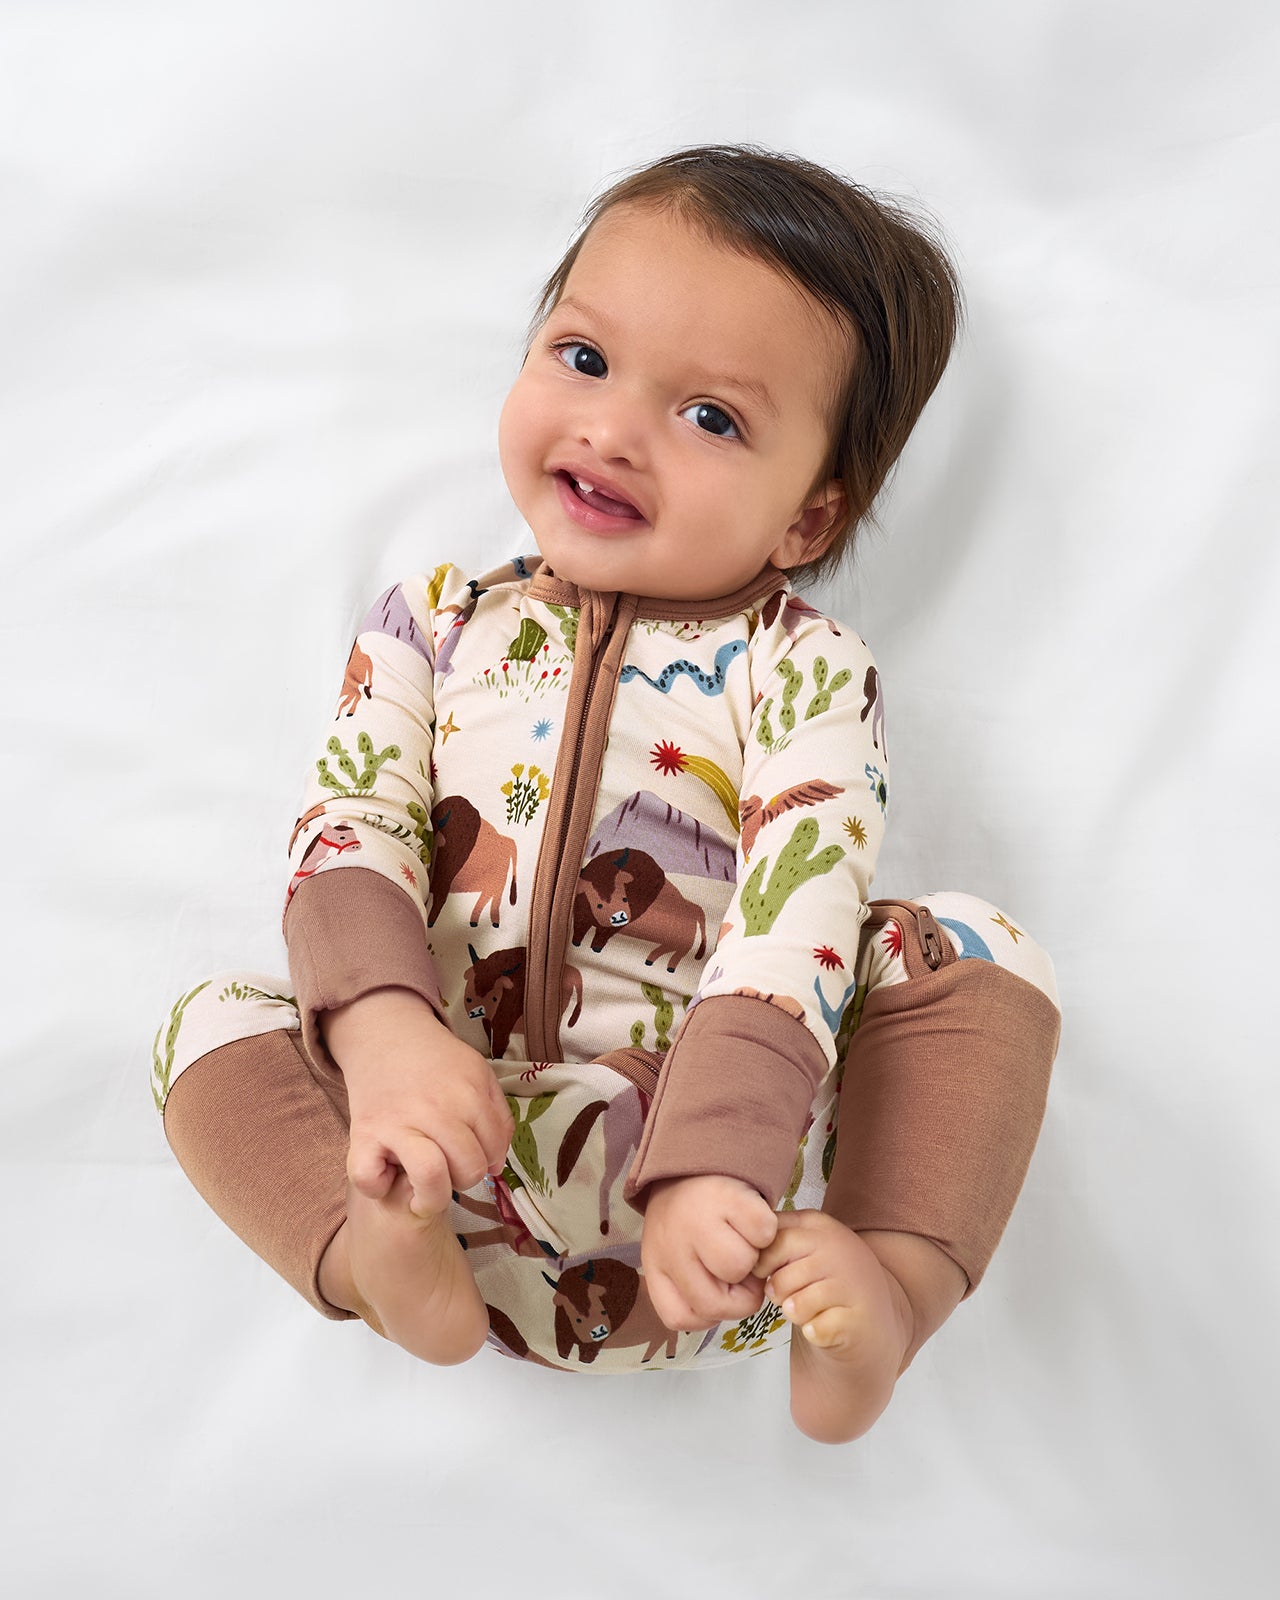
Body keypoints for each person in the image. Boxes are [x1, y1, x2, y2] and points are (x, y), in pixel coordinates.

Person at [155, 145, 1061, 1443]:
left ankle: (892, 1296)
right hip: (431, 1156)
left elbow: (796, 916)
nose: (614, 430)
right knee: (208, 1026)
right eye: (583, 358)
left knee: (971, 950)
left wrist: (717, 1163)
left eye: (712, 418)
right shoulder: (432, 624)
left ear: (807, 522)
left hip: (732, 1224)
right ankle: (373, 1265)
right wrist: (386, 1038)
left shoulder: (802, 668)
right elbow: (348, 833)